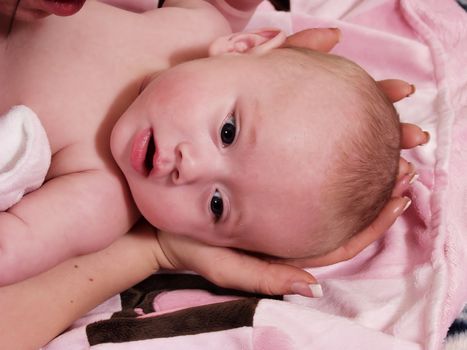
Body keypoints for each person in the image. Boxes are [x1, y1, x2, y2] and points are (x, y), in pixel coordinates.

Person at [0, 5, 429, 345]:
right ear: (242, 45)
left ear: (204, 239)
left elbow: (10, 250)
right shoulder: (195, 26)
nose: (193, 166)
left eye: (217, 204)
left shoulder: (101, 201)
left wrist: (155, 251)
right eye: (228, 132)